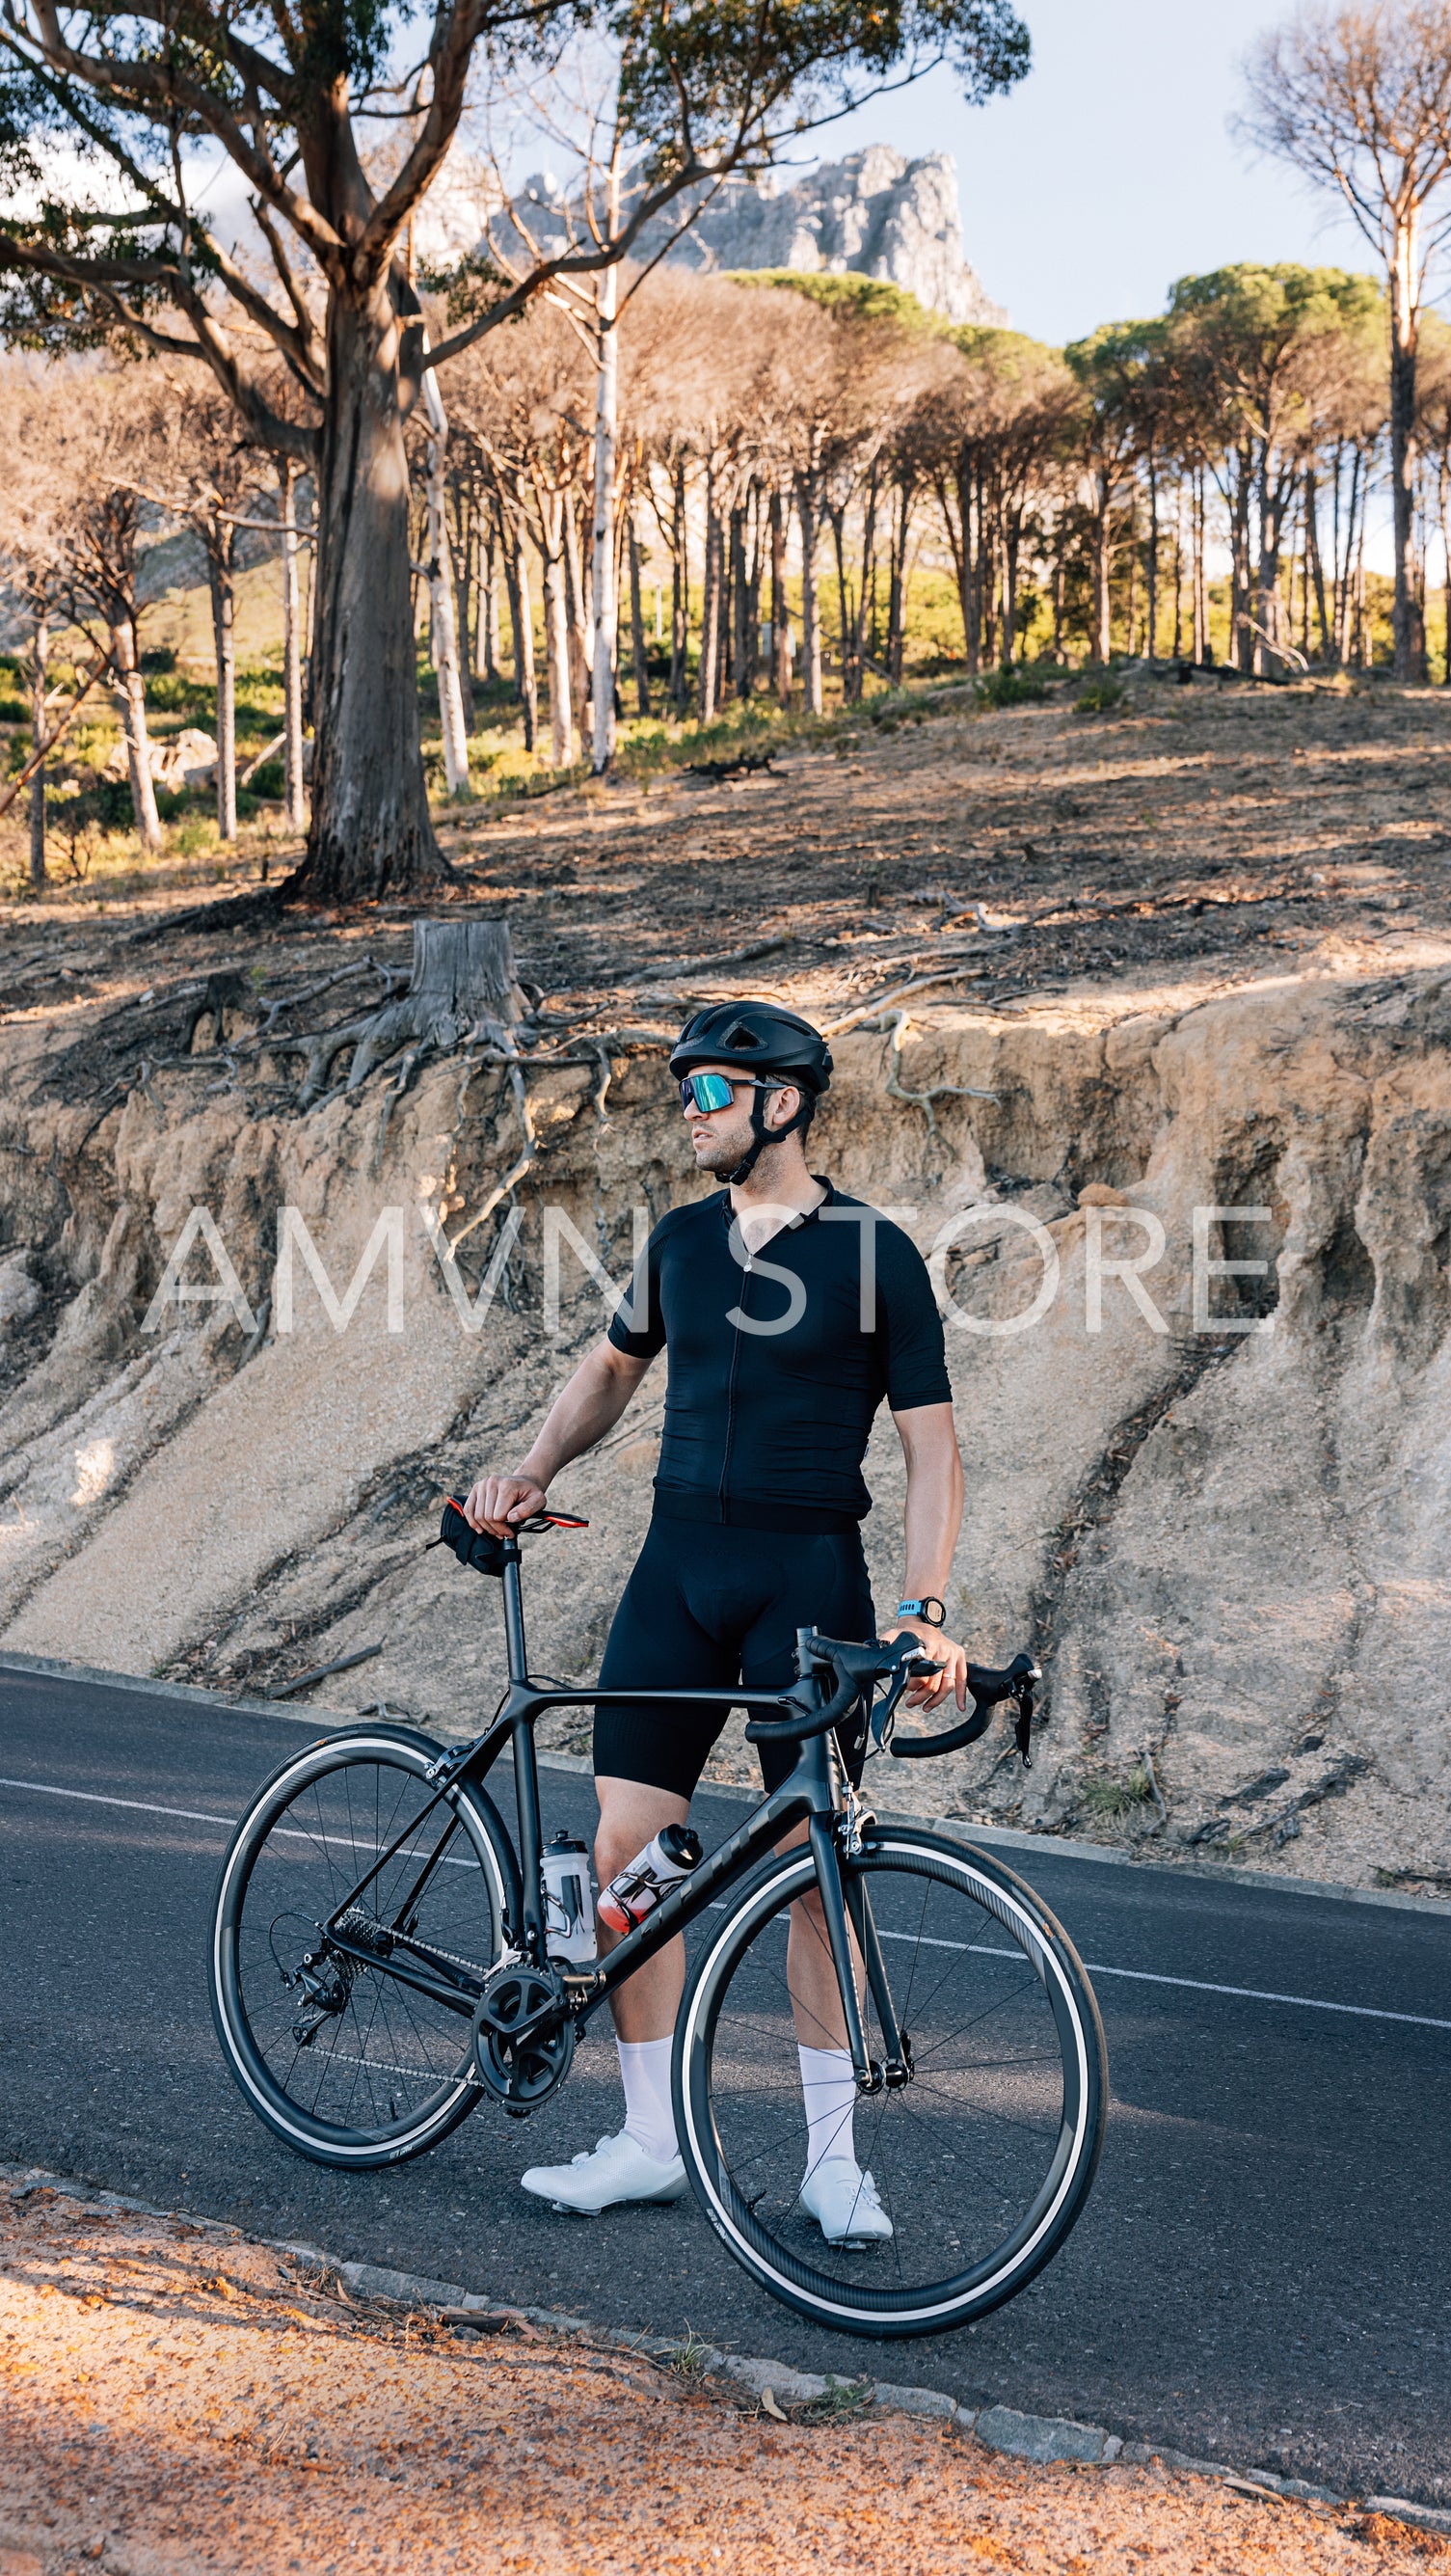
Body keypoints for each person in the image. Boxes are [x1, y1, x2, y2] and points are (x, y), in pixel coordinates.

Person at [462, 1000, 967, 2244]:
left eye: (706, 1093)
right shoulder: (680, 1243)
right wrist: (531, 1470)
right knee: (631, 1856)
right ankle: (648, 2139)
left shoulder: (873, 1254)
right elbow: (608, 1373)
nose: (683, 1111)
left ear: (780, 1103)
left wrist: (923, 1609)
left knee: (817, 1880)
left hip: (808, 1585)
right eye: (681, 1093)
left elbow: (933, 1452)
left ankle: (833, 2164)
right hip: (674, 1571)